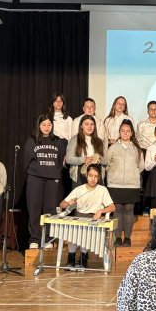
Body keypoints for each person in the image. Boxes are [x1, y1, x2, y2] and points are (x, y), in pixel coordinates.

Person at [23, 114, 66, 249]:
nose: (47, 127)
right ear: (38, 126)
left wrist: (55, 175)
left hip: (52, 180)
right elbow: (26, 162)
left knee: (50, 210)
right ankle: (34, 239)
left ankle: (48, 239)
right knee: (34, 209)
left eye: (49, 125)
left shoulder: (58, 141)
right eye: (43, 125)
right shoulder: (32, 141)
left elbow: (60, 161)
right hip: (35, 178)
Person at [59, 164, 115, 268]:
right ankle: (71, 258)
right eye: (90, 176)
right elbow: (62, 204)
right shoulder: (79, 189)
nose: (93, 179)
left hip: (93, 218)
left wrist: (101, 211)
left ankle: (83, 258)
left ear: (99, 177)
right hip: (79, 217)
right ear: (86, 175)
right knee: (72, 231)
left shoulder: (102, 190)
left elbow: (112, 207)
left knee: (86, 233)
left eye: (95, 176)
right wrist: (69, 203)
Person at [103, 120, 144, 247]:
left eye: (128, 131)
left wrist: (132, 175)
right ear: (119, 132)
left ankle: (127, 238)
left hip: (132, 185)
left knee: (129, 209)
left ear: (132, 133)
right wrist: (114, 175)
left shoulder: (137, 149)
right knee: (118, 209)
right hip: (115, 185)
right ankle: (117, 238)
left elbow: (141, 166)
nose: (125, 133)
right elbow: (106, 163)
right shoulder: (113, 148)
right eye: (122, 131)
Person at [65, 115, 104, 185]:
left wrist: (99, 159)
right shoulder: (75, 139)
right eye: (86, 124)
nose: (89, 126)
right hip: (80, 174)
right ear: (81, 126)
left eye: (92, 124)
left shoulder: (99, 141)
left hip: (96, 174)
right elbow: (68, 159)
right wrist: (83, 160)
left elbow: (104, 159)